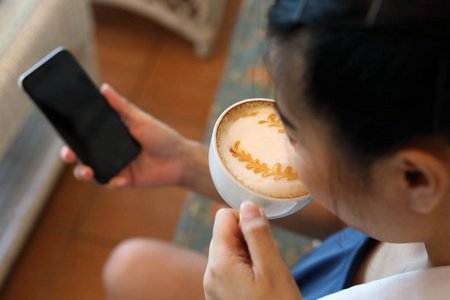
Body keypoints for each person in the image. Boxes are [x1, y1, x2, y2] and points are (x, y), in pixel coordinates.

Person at [61, 0, 450, 299]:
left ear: (413, 177)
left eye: (294, 135)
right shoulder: (412, 210)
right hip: (325, 275)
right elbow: (351, 219)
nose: (280, 142)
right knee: (131, 267)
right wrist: (186, 162)